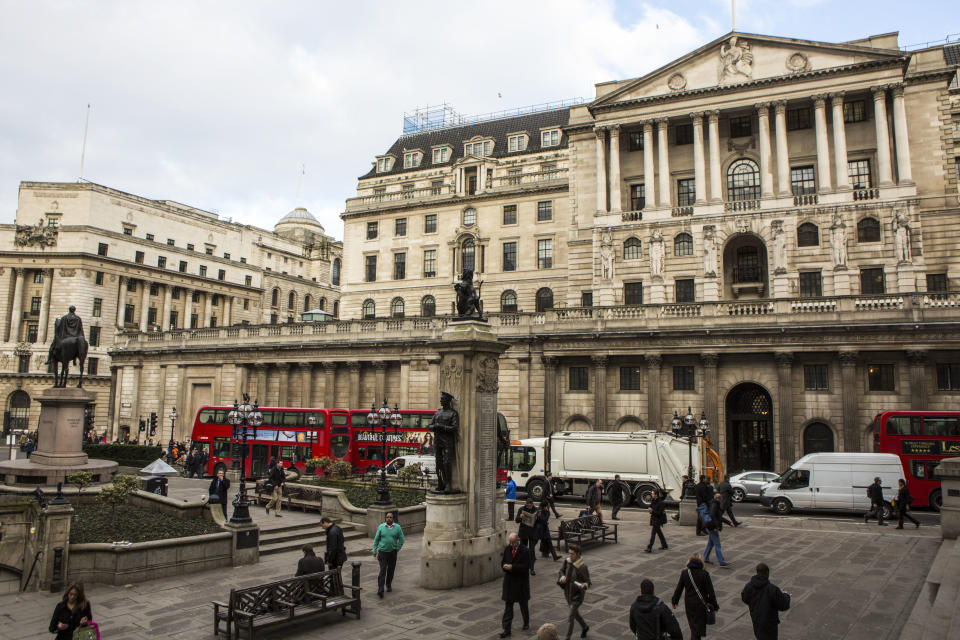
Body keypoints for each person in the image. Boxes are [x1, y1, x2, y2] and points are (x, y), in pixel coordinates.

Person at [672, 553, 719, 640]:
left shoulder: (685, 573)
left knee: (693, 627)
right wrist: (715, 607)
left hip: (689, 604)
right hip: (701, 604)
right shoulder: (704, 574)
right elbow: (711, 592)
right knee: (697, 629)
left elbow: (679, 589)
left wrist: (674, 601)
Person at [741, 563, 791, 640]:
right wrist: (786, 595)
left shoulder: (749, 586)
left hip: (756, 619)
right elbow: (784, 605)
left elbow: (744, 598)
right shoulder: (772, 589)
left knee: (759, 636)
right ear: (767, 573)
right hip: (770, 621)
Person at [500, 532, 531, 637]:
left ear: (518, 540)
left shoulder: (525, 551)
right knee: (508, 607)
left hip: (520, 583)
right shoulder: (508, 549)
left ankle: (526, 622)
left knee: (523, 605)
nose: (511, 544)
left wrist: (513, 567)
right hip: (509, 582)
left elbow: (526, 566)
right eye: (510, 542)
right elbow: (503, 561)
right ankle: (506, 629)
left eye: (513, 542)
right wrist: (504, 566)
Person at [557, 543, 591, 640]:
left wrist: (585, 585)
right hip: (568, 593)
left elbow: (588, 582)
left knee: (571, 616)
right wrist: (562, 576)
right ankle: (585, 627)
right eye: (569, 553)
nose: (570, 556)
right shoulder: (567, 562)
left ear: (578, 554)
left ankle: (567, 638)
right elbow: (561, 571)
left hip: (577, 596)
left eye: (572, 554)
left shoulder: (583, 567)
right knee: (575, 614)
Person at [372, 511, 404, 598]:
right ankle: (380, 590)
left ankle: (388, 584)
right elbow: (376, 539)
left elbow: (402, 539)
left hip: (392, 553)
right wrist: (374, 550)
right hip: (382, 552)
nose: (388, 518)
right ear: (385, 518)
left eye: (390, 517)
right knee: (382, 571)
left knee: (391, 570)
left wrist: (397, 548)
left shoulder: (397, 527)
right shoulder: (381, 527)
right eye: (387, 517)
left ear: (393, 519)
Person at [702, 492, 728, 567]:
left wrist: (729, 523)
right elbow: (713, 516)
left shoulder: (714, 504)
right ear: (719, 499)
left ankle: (705, 557)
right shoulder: (715, 505)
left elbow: (719, 517)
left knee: (710, 543)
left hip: (711, 526)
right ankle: (721, 561)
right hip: (713, 527)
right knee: (717, 544)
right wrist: (716, 526)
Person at [516, 497, 539, 575]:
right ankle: (523, 566)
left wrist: (538, 517)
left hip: (532, 533)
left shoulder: (536, 510)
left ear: (532, 504)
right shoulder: (521, 509)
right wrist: (520, 517)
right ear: (526, 504)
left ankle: (532, 568)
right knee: (523, 550)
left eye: (531, 505)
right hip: (524, 532)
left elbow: (540, 522)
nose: (529, 506)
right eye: (528, 505)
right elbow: (516, 520)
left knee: (532, 551)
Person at [645, 487, 668, 553]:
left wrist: (652, 511)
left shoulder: (661, 502)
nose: (651, 495)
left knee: (653, 534)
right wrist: (650, 509)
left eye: (652, 494)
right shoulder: (653, 500)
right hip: (654, 519)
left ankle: (649, 547)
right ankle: (665, 545)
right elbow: (651, 507)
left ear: (656, 495)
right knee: (659, 533)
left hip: (658, 520)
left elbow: (659, 513)